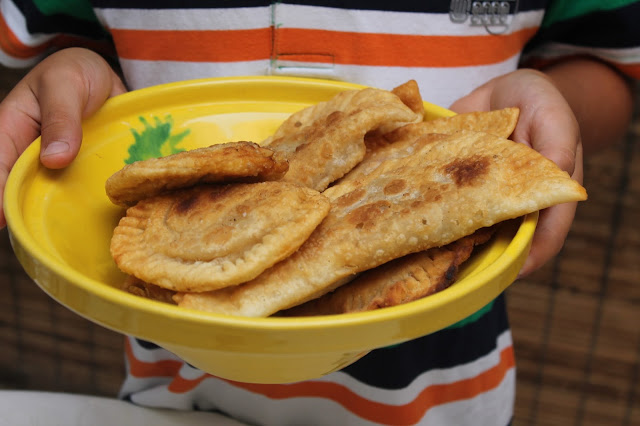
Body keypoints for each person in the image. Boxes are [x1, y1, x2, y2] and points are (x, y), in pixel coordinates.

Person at [0, 1, 637, 425]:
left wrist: (546, 103)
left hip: (439, 391)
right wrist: (74, 72)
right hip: (175, 388)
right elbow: (68, 37)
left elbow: (609, 65)